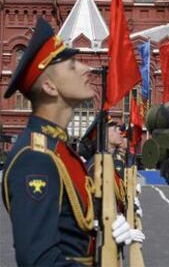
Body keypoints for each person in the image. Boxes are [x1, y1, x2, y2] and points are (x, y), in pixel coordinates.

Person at [0, 17, 134, 266]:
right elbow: (39, 261)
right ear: (50, 87)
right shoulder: (35, 158)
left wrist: (106, 235)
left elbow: (72, 234)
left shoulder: (59, 149)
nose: (86, 69)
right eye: (72, 66)